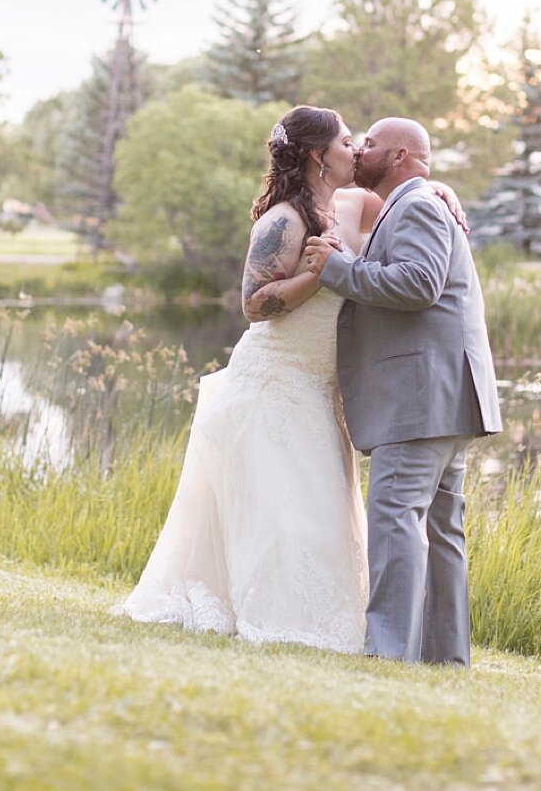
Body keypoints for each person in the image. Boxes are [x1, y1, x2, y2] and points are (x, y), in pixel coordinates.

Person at [118, 105, 467, 653]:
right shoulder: (282, 218)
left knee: (323, 518)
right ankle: (274, 616)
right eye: (347, 142)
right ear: (317, 155)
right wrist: (317, 275)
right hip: (277, 380)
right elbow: (255, 304)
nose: (355, 151)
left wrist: (439, 184)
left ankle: (343, 627)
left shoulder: (346, 204)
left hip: (321, 390)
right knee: (280, 515)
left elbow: (405, 186)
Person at [301, 117, 501, 666]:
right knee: (440, 532)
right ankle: (444, 659)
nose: (359, 151)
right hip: (443, 395)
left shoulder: (416, 205)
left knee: (394, 518)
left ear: (396, 157)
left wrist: (338, 271)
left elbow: (419, 284)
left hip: (421, 397)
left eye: (369, 144)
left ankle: (389, 654)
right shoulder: (411, 203)